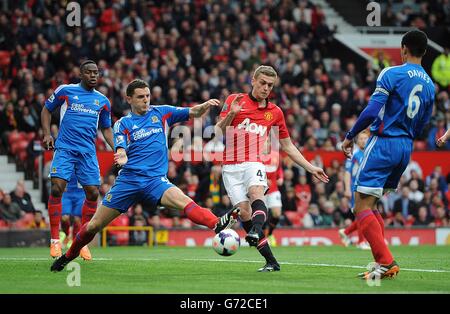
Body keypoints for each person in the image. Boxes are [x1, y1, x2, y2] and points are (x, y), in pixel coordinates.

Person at [51, 79, 239, 272]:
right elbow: (120, 147)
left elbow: (192, 112)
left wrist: (204, 105)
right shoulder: (123, 123)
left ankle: (216, 224)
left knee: (183, 200)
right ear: (129, 99)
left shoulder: (161, 112)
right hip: (128, 182)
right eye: (141, 97)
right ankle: (68, 257)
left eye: (147, 96)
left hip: (155, 181)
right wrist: (122, 156)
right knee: (93, 227)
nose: (146, 100)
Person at [216, 65, 328, 272]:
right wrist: (231, 115)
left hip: (253, 161)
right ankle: (271, 261)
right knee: (244, 213)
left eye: (270, 85)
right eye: (263, 83)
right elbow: (216, 131)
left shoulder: (275, 112)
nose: (266, 88)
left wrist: (310, 167)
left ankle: (257, 231)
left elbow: (288, 146)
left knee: (256, 192)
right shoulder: (234, 99)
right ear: (253, 80)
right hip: (230, 167)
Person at [342, 30, 435, 280]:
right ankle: (381, 262)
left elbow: (373, 110)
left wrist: (350, 135)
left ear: (403, 48)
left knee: (360, 203)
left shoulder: (391, 73)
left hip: (384, 143)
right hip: (405, 147)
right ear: (425, 52)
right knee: (373, 204)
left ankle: (385, 261)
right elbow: (424, 123)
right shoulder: (430, 85)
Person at [41, 60, 114, 259]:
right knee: (57, 188)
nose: (93, 76)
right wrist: (47, 134)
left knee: (92, 193)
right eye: (89, 72)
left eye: (96, 73)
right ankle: (55, 240)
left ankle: (81, 241)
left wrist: (117, 147)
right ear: (81, 74)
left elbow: (106, 128)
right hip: (65, 148)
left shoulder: (103, 101)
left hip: (87, 152)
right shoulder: (66, 91)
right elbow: (47, 109)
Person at [339, 130, 371, 250]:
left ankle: (346, 232)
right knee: (362, 214)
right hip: (355, 188)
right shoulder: (354, 155)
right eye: (361, 139)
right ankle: (361, 241)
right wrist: (347, 189)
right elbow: (347, 173)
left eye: (365, 138)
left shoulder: (368, 154)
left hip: (366, 187)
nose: (363, 141)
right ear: (357, 141)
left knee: (364, 214)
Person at [262, 145, 284, 247]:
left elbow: (279, 169)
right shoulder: (256, 157)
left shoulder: (276, 155)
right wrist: (264, 179)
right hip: (260, 190)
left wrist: (281, 177)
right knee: (262, 216)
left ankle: (270, 234)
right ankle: (261, 238)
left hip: (274, 189)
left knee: (277, 213)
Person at [60, 173, 85, 252]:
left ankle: (75, 242)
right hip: (67, 193)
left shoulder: (85, 161)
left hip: (80, 194)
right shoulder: (66, 161)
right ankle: (67, 235)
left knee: (77, 219)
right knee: (64, 218)